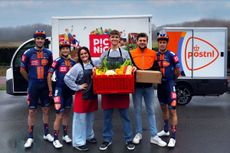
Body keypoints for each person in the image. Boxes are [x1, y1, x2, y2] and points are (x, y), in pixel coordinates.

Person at [95, 29, 135, 151]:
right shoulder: (104, 54)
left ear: (119, 39)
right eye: (112, 37)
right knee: (107, 117)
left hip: (122, 89)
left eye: (116, 37)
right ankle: (107, 139)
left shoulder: (125, 53)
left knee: (125, 116)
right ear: (109, 39)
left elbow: (131, 66)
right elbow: (98, 67)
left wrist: (133, 69)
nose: (114, 39)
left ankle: (128, 139)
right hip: (107, 89)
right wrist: (95, 70)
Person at [130, 33, 167, 147]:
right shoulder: (131, 53)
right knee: (137, 111)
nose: (142, 42)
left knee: (151, 111)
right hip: (136, 87)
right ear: (137, 42)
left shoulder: (152, 53)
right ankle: (138, 133)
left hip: (149, 87)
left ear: (147, 42)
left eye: (144, 40)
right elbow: (128, 67)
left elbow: (156, 68)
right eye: (140, 40)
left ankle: (154, 136)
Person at [20, 30, 54, 148]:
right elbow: (22, 69)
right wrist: (30, 80)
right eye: (38, 38)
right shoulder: (28, 53)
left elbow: (51, 69)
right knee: (32, 111)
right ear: (35, 39)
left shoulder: (49, 53)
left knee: (46, 110)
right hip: (33, 86)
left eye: (42, 39)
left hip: (45, 86)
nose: (40, 40)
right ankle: (30, 137)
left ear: (44, 40)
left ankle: (46, 133)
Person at [64, 46, 98, 152]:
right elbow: (67, 78)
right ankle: (78, 142)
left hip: (92, 95)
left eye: (85, 53)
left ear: (88, 54)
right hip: (81, 96)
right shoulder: (78, 66)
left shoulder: (93, 64)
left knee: (90, 118)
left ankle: (89, 135)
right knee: (80, 120)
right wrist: (77, 87)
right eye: (82, 54)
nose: (84, 55)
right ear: (79, 56)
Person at [47, 41, 76, 148]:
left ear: (69, 50)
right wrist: (50, 90)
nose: (65, 50)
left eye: (67, 48)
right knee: (59, 114)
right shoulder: (57, 61)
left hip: (69, 92)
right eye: (63, 48)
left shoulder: (73, 62)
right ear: (60, 50)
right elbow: (49, 75)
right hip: (59, 91)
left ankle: (65, 135)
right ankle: (55, 139)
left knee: (67, 113)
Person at [156, 31, 180, 148]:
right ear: (158, 43)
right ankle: (165, 130)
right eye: (160, 42)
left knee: (173, 111)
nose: (162, 44)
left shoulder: (172, 55)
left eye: (164, 42)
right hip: (160, 86)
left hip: (170, 85)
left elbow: (177, 71)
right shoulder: (155, 55)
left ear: (167, 43)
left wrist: (172, 80)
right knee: (163, 108)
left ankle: (173, 137)